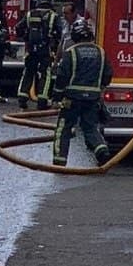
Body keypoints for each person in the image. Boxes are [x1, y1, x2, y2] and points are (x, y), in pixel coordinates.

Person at [50, 19, 112, 167]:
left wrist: (56, 98)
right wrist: (101, 88)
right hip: (92, 98)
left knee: (63, 128)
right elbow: (108, 74)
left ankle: (60, 160)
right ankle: (102, 151)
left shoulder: (70, 53)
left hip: (72, 98)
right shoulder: (100, 52)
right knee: (90, 127)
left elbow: (62, 77)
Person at [15, 0, 62, 111]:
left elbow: (18, 28)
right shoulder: (53, 16)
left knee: (28, 72)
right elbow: (60, 33)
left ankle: (22, 98)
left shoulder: (30, 14)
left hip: (31, 50)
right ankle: (42, 100)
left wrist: (26, 37)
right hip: (45, 50)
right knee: (45, 74)